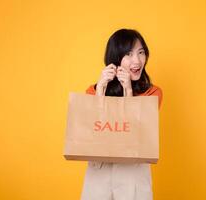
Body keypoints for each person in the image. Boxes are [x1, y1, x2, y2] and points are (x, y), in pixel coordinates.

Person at [80, 28, 163, 200]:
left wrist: (128, 91)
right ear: (115, 59)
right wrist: (101, 89)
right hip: (99, 171)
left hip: (133, 172)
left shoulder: (153, 93)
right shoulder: (93, 91)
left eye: (141, 53)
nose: (137, 60)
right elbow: (89, 129)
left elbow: (139, 132)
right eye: (129, 54)